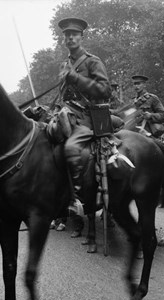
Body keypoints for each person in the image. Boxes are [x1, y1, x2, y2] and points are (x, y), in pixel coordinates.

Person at [58, 17, 115, 206]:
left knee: (71, 147)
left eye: (74, 35)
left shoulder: (92, 62)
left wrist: (76, 78)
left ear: (81, 37)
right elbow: (63, 95)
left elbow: (106, 90)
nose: (70, 38)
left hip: (89, 118)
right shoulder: (64, 65)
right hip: (68, 114)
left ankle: (78, 197)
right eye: (67, 35)